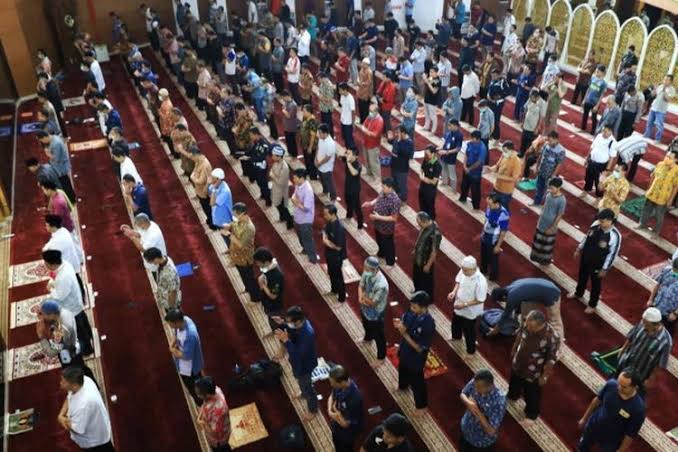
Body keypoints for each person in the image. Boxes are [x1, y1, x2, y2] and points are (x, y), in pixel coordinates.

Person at [508, 310, 559, 426]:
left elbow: (551, 359)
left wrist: (544, 376)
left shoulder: (552, 337)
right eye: (527, 324)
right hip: (518, 363)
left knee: (532, 393)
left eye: (531, 327)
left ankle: (531, 415)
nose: (528, 328)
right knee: (514, 381)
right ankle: (512, 396)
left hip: (533, 371)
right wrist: (514, 348)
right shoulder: (527, 323)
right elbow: (520, 334)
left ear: (541, 325)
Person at [577, 369, 646, 452]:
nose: (619, 387)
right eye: (618, 383)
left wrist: (620, 451)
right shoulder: (611, 384)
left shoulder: (638, 409)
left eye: (624, 387)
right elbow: (597, 400)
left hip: (611, 440)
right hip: (593, 426)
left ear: (635, 387)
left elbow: (630, 434)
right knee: (582, 448)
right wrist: (584, 419)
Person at [43, 250, 94, 356]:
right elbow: (56, 278)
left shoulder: (63, 278)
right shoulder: (65, 264)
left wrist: (51, 289)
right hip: (76, 301)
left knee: (79, 330)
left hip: (71, 308)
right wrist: (53, 283)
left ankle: (87, 350)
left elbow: (60, 296)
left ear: (50, 264)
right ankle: (89, 335)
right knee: (83, 321)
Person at [570, 208, 621, 314]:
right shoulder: (595, 225)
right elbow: (586, 238)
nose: (600, 223)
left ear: (610, 220)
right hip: (586, 257)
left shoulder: (615, 236)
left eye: (602, 221)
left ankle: (592, 304)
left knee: (595, 284)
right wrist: (579, 249)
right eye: (599, 221)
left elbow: (612, 254)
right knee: (582, 277)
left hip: (598, 264)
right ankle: (578, 293)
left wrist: (605, 269)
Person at [275, 306, 319, 421]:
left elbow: (298, 354)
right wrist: (283, 324)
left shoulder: (307, 334)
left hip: (305, 365)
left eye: (289, 321)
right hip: (298, 364)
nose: (288, 323)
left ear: (298, 321)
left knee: (308, 388)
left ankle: (313, 410)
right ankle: (303, 393)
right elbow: (292, 330)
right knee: (300, 381)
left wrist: (286, 341)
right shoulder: (299, 325)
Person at [394, 291, 435, 414]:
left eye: (414, 307)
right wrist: (400, 324)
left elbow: (419, 348)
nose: (411, 309)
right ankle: (403, 386)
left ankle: (422, 406)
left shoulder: (428, 323)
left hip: (416, 358)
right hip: (405, 351)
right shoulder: (412, 313)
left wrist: (404, 334)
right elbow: (405, 322)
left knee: (417, 381)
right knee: (402, 369)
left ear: (423, 307)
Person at [37, 300, 95, 383]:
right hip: (73, 348)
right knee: (83, 370)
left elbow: (52, 352)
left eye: (43, 314)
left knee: (77, 376)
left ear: (51, 314)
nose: (42, 317)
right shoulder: (63, 313)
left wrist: (41, 337)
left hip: (69, 356)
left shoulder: (61, 329)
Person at [57, 367, 114, 451]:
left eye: (64, 381)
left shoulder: (83, 405)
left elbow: (77, 429)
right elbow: (69, 397)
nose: (60, 383)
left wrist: (63, 421)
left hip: (95, 443)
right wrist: (61, 414)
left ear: (74, 385)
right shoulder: (84, 380)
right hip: (97, 428)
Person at [617, 307, 673, 390]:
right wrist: (622, 350)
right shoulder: (642, 324)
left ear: (656, 325)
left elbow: (660, 365)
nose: (643, 325)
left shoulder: (666, 341)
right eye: (643, 322)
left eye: (647, 324)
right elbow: (631, 337)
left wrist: (650, 379)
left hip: (640, 374)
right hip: (625, 363)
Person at [490, 278, 564, 340]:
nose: (504, 302)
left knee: (554, 321)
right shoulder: (512, 286)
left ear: (503, 297)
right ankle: (523, 329)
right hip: (546, 286)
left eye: (503, 301)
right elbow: (519, 305)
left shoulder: (511, 297)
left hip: (552, 293)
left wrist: (495, 330)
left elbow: (505, 315)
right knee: (527, 312)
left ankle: (558, 345)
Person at [460, 369, 507, 451]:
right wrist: (468, 403)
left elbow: (491, 431)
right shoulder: (476, 381)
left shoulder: (499, 402)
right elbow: (463, 394)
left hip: (479, 441)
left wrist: (478, 412)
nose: (475, 389)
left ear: (490, 386)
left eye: (478, 387)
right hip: (465, 429)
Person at [448, 255, 487, 355]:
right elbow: (458, 281)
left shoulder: (481, 281)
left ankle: (471, 351)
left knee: (469, 331)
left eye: (466, 270)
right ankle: (456, 337)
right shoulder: (463, 270)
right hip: (459, 304)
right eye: (463, 269)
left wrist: (464, 305)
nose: (463, 272)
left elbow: (480, 299)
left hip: (470, 311)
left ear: (473, 269)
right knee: (456, 323)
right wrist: (454, 292)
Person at [165, 309, 205, 405]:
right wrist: (172, 344)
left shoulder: (190, 335)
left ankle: (201, 404)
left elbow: (186, 356)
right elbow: (176, 333)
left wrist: (172, 350)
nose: (170, 326)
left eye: (170, 324)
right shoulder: (184, 320)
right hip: (183, 364)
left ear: (177, 322)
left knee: (195, 389)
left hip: (190, 369)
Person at [637, 150, 678, 237]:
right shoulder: (660, 164)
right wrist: (648, 189)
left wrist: (671, 199)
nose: (666, 158)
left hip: (663, 197)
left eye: (669, 158)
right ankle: (642, 224)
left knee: (659, 215)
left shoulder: (676, 171)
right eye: (666, 156)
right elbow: (653, 176)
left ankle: (656, 232)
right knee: (646, 210)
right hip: (652, 193)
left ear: (676, 160)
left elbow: (675, 187)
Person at [358, 256, 389, 368]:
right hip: (365, 307)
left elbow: (373, 303)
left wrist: (363, 299)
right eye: (365, 268)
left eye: (367, 269)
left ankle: (381, 357)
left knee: (379, 336)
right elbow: (361, 286)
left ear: (375, 269)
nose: (365, 270)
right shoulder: (367, 273)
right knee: (366, 324)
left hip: (376, 313)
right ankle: (368, 339)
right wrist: (360, 297)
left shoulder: (381, 285)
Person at [363, 178, 401, 267]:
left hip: (386, 228)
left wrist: (378, 217)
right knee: (379, 241)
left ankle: (390, 262)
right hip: (378, 224)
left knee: (388, 245)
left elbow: (394, 218)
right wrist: (370, 203)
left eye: (384, 187)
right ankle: (381, 253)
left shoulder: (395, 201)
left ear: (390, 188)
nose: (382, 188)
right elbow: (378, 198)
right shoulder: (384, 192)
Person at [43, 215, 83, 294]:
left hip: (67, 266)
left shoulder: (57, 241)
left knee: (71, 286)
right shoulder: (63, 230)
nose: (45, 227)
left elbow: (46, 250)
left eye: (47, 225)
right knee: (76, 280)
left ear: (53, 226)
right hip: (72, 262)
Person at [327, 365, 364, 451]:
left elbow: (346, 424)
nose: (331, 384)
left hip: (347, 433)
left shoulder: (355, 398)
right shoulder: (339, 386)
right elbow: (331, 396)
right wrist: (330, 411)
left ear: (342, 382)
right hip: (336, 424)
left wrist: (335, 414)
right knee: (336, 443)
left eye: (333, 383)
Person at [530, 177, 566, 265]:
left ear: (559, 188)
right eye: (550, 188)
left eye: (552, 188)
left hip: (550, 225)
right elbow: (545, 206)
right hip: (542, 222)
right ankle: (535, 257)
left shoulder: (562, 200)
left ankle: (544, 261)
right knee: (538, 241)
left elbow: (560, 215)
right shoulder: (549, 195)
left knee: (546, 245)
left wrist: (552, 227)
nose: (550, 190)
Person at [253, 247, 285, 335]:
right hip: (267, 302)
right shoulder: (268, 268)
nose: (257, 264)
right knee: (271, 319)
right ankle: (274, 330)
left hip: (274, 305)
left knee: (277, 322)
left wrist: (263, 285)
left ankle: (280, 336)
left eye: (258, 262)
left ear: (266, 262)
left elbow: (273, 296)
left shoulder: (277, 276)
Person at [37, 131, 75, 203]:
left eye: (42, 141)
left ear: (44, 138)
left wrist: (48, 153)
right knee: (66, 184)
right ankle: (70, 199)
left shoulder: (56, 144)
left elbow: (56, 159)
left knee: (65, 184)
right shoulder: (54, 138)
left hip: (61, 168)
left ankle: (71, 200)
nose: (43, 143)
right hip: (59, 167)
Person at [195, 376, 232, 452]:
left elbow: (215, 433)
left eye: (199, 394)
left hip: (219, 440)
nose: (197, 395)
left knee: (222, 449)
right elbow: (204, 404)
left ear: (207, 395)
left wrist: (202, 422)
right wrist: (200, 415)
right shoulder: (216, 389)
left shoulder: (218, 411)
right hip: (218, 427)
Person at [480, 194, 510, 281]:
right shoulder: (490, 207)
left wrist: (498, 246)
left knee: (493, 259)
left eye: (490, 204)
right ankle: (483, 270)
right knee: (483, 255)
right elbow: (486, 220)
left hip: (493, 239)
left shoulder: (504, 214)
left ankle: (493, 277)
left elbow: (503, 231)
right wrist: (483, 231)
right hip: (485, 235)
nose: (488, 206)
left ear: (497, 203)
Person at [582, 125, 617, 198]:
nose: (603, 133)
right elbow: (592, 147)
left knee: (599, 182)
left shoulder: (613, 142)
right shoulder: (599, 136)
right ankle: (586, 190)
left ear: (610, 132)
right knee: (588, 178)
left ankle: (599, 197)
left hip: (601, 165)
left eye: (605, 131)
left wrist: (607, 170)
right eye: (603, 131)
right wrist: (587, 159)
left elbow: (612, 157)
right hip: (592, 162)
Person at [291, 168, 318, 263]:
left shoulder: (308, 191)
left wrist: (296, 202)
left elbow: (306, 208)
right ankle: (305, 249)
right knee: (300, 237)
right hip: (298, 216)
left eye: (295, 178)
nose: (293, 180)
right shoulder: (298, 185)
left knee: (307, 240)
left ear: (301, 178)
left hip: (305, 220)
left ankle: (313, 258)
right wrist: (295, 200)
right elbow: (294, 196)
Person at [412, 212, 441, 298]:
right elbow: (420, 237)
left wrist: (428, 265)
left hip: (425, 260)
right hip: (418, 257)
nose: (419, 225)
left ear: (425, 221)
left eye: (419, 223)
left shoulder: (435, 233)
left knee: (426, 281)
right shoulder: (425, 227)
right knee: (416, 277)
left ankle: (428, 298)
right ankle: (417, 291)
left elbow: (434, 251)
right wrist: (415, 249)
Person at [143, 247, 181, 313]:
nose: (150, 263)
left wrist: (171, 308)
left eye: (150, 261)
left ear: (156, 259)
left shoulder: (169, 273)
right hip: (164, 291)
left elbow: (173, 292)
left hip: (169, 301)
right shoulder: (165, 258)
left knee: (174, 315)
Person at [646, 258, 678, 336]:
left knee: (665, 334)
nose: (674, 273)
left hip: (669, 313)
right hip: (657, 305)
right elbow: (657, 285)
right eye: (674, 270)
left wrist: (675, 313)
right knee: (648, 327)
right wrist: (651, 299)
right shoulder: (667, 271)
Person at [532, 131, 565, 205]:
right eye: (548, 140)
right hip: (541, 170)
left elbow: (559, 164)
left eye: (551, 140)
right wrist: (536, 166)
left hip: (550, 174)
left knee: (548, 190)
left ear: (556, 139)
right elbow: (541, 156)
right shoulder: (546, 145)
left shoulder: (561, 150)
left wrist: (553, 175)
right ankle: (536, 202)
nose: (549, 142)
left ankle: (545, 205)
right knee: (539, 187)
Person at [322, 204, 347, 302]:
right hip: (329, 254)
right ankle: (334, 290)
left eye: (326, 214)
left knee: (338, 276)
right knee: (331, 273)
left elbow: (338, 247)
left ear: (333, 214)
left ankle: (341, 297)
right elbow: (325, 231)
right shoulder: (329, 222)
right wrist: (325, 237)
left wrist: (326, 242)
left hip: (337, 257)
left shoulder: (339, 228)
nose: (324, 216)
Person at [489, 141, 522, 210]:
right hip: (497, 187)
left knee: (502, 208)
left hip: (505, 191)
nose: (503, 152)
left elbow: (514, 178)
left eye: (505, 150)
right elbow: (497, 166)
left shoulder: (517, 162)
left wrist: (499, 177)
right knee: (493, 206)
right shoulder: (504, 155)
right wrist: (490, 168)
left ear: (511, 150)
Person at [459, 131, 487, 210]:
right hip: (467, 167)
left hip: (475, 171)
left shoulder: (482, 148)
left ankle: (476, 206)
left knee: (475, 190)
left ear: (478, 139)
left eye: (473, 138)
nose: (471, 139)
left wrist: (469, 169)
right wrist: (464, 165)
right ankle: (463, 198)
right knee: (464, 185)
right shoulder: (470, 143)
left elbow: (479, 162)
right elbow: (466, 154)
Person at [644, 74, 675, 143]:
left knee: (659, 125)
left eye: (667, 80)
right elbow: (653, 95)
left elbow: (668, 99)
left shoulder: (672, 89)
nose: (665, 81)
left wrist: (664, 91)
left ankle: (657, 139)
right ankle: (646, 135)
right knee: (649, 123)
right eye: (664, 79)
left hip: (661, 110)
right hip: (654, 107)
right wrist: (655, 89)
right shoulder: (660, 86)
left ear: (671, 81)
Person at [270, 144, 294, 229]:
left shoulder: (284, 168)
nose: (272, 157)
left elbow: (281, 182)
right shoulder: (276, 163)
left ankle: (290, 222)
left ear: (279, 156)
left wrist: (273, 176)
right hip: (276, 188)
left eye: (273, 155)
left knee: (283, 207)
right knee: (278, 205)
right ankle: (283, 217)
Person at [388, 126, 414, 202]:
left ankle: (403, 200)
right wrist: (390, 139)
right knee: (394, 183)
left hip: (402, 168)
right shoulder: (398, 139)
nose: (396, 134)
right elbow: (393, 143)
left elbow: (405, 153)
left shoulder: (409, 142)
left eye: (398, 133)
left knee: (402, 185)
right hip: (394, 165)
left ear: (403, 133)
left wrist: (399, 142)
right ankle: (396, 197)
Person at [190, 147, 214, 228]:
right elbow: (194, 170)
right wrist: (194, 176)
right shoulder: (198, 161)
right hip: (200, 190)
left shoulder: (204, 164)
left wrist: (193, 178)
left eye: (192, 156)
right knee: (205, 207)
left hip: (204, 191)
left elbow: (201, 181)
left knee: (207, 208)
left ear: (196, 155)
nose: (191, 158)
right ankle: (210, 220)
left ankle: (212, 223)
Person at [208, 168, 233, 245]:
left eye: (212, 178)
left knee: (227, 237)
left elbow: (212, 203)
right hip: (217, 216)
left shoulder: (225, 191)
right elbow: (208, 193)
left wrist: (213, 190)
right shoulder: (216, 185)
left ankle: (231, 248)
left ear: (218, 179)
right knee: (223, 235)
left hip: (224, 219)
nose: (210, 179)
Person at [581, 65, 608, 133]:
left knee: (593, 117)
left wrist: (597, 106)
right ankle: (583, 128)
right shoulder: (593, 78)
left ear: (602, 73)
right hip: (588, 100)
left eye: (598, 72)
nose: (596, 73)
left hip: (595, 103)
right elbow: (588, 89)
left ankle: (593, 131)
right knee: (585, 115)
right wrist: (584, 99)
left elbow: (601, 96)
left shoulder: (603, 83)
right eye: (596, 71)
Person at [519, 89, 545, 156]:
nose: (530, 99)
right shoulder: (530, 99)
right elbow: (525, 109)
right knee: (524, 138)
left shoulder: (542, 103)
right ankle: (521, 152)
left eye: (532, 98)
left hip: (534, 125)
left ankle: (528, 155)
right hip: (526, 124)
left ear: (537, 97)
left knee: (531, 141)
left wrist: (537, 127)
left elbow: (541, 116)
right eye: (530, 97)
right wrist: (522, 121)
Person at [343, 147, 365, 229]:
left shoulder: (358, 165)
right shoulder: (347, 159)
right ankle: (349, 215)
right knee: (348, 202)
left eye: (349, 154)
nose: (348, 155)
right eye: (347, 153)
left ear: (355, 156)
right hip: (347, 186)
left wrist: (348, 162)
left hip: (354, 189)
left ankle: (360, 224)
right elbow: (340, 156)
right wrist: (345, 154)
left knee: (357, 207)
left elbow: (354, 173)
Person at [419, 146, 442, 219]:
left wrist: (424, 179)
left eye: (427, 154)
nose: (425, 155)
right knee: (422, 204)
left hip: (430, 190)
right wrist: (421, 175)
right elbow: (421, 169)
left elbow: (434, 182)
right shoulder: (426, 159)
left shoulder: (437, 165)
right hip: (423, 186)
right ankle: (423, 220)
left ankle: (431, 221)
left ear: (433, 154)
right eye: (425, 153)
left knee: (430, 207)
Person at [363, 103, 384, 180]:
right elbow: (364, 125)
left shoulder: (380, 120)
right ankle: (369, 172)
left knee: (374, 162)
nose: (370, 112)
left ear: (376, 111)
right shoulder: (370, 117)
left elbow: (375, 134)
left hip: (373, 145)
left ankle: (377, 177)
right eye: (369, 110)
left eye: (371, 111)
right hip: (366, 141)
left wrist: (366, 131)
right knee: (367, 159)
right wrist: (367, 131)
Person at [316, 124, 338, 201]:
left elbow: (327, 158)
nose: (318, 134)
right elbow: (318, 148)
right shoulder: (321, 138)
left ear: (325, 133)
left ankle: (333, 197)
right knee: (322, 179)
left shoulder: (331, 143)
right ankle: (325, 191)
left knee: (329, 182)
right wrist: (315, 159)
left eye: (320, 133)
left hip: (326, 167)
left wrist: (319, 163)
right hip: (319, 164)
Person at [280, 90, 299, 158]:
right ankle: (290, 152)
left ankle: (294, 154)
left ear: (286, 96)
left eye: (283, 97)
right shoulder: (286, 102)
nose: (283, 99)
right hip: (286, 125)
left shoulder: (293, 105)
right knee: (288, 141)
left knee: (292, 141)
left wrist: (284, 110)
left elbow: (289, 116)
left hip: (291, 126)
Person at [422, 67, 441, 133]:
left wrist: (427, 82)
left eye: (432, 72)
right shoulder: (431, 78)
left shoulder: (438, 81)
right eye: (430, 72)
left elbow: (434, 91)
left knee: (433, 116)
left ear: (436, 72)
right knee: (427, 114)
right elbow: (425, 82)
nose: (430, 73)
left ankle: (433, 129)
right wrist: (424, 78)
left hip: (432, 100)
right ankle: (426, 126)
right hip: (427, 98)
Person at [339, 83, 357, 150]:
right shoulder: (342, 96)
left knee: (349, 139)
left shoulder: (350, 99)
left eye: (340, 90)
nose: (339, 91)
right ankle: (347, 150)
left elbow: (353, 112)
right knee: (345, 138)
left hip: (348, 122)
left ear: (345, 90)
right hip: (343, 120)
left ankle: (352, 152)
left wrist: (353, 123)